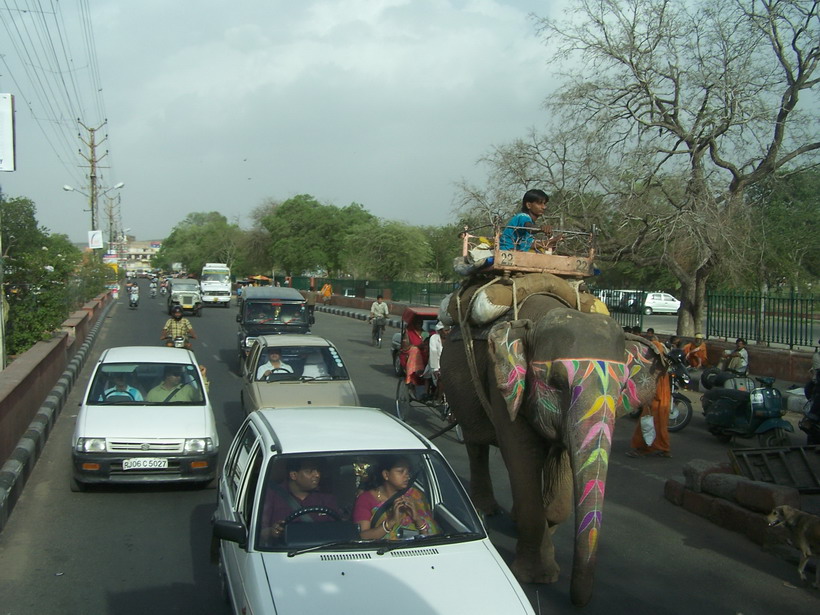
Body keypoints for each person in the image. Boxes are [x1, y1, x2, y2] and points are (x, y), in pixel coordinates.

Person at [353, 456, 438, 540]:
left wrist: (417, 518)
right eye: (401, 471)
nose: (407, 476)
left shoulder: (416, 495)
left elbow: (432, 537)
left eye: (408, 472)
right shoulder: (366, 499)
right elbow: (362, 536)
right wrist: (392, 521)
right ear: (386, 475)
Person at [260, 459, 341, 543]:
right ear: (294, 475)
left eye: (317, 470)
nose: (317, 475)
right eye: (310, 471)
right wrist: (272, 532)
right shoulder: (272, 495)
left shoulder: (327, 498)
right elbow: (258, 533)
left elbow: (338, 531)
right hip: (281, 552)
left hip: (321, 550)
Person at [626, 338, 672, 458]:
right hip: (662, 402)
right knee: (660, 427)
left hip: (655, 402)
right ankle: (663, 447)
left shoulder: (656, 367)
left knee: (645, 426)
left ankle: (645, 448)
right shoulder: (662, 366)